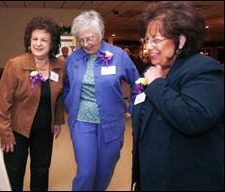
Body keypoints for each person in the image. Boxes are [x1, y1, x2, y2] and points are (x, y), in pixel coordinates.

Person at [132, 1, 224, 191]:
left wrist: (157, 84)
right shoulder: (154, 70)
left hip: (186, 178)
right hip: (153, 175)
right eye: (146, 40)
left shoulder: (204, 69)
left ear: (181, 41)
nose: (149, 47)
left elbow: (194, 117)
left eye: (156, 39)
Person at [63, 10, 140, 191]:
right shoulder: (74, 58)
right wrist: (69, 104)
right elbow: (67, 85)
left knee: (105, 170)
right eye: (81, 40)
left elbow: (138, 83)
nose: (85, 44)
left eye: (89, 38)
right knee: (86, 171)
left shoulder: (118, 55)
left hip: (111, 123)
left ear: (101, 34)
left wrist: (132, 108)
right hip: (82, 122)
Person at [0, 16, 65, 191]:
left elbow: (59, 97)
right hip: (17, 130)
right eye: (35, 39)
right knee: (14, 173)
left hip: (44, 130)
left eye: (44, 40)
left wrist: (57, 121)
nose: (39, 43)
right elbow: (2, 104)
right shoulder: (15, 65)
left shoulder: (60, 66)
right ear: (29, 41)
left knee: (41, 170)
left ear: (52, 44)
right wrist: (5, 133)